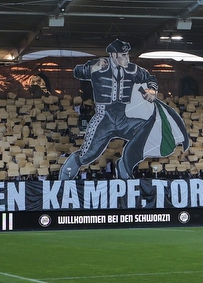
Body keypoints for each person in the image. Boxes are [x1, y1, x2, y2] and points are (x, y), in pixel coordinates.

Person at [59, 39, 159, 180]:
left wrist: (152, 90)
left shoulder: (132, 69)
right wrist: (92, 68)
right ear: (113, 55)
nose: (127, 58)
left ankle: (124, 165)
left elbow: (150, 77)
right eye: (123, 55)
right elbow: (77, 72)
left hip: (122, 118)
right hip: (103, 119)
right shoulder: (100, 66)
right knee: (88, 155)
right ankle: (64, 179)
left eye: (127, 54)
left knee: (147, 129)